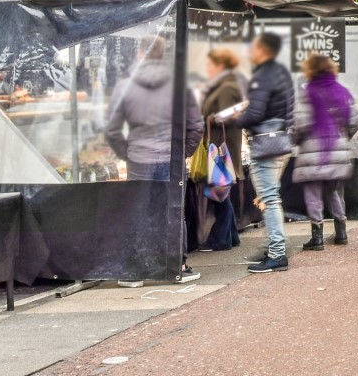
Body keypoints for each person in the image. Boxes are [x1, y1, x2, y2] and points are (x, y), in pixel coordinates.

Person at [104, 36, 202, 284]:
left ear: (139, 54)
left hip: (139, 158)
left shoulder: (124, 86)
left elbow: (111, 129)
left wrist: (127, 152)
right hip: (171, 158)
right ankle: (176, 266)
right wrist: (184, 153)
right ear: (162, 54)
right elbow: (196, 125)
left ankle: (136, 271)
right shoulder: (180, 86)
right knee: (173, 211)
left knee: (139, 213)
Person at [234, 31, 296, 273]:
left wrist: (238, 118)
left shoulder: (262, 75)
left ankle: (277, 253)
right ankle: (272, 246)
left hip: (264, 143)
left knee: (269, 200)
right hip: (281, 140)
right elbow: (289, 111)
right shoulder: (281, 73)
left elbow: (256, 113)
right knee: (270, 198)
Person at [292, 53, 357, 251]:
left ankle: (317, 238)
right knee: (334, 192)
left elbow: (300, 124)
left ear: (310, 70)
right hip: (337, 152)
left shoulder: (308, 93)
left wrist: (297, 141)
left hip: (313, 154)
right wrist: (342, 137)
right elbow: (354, 122)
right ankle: (341, 233)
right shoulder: (343, 92)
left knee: (313, 194)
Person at [197, 48, 246, 253]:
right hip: (223, 147)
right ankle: (231, 236)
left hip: (219, 149)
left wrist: (207, 119)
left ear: (220, 66)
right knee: (221, 192)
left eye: (210, 64)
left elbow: (225, 117)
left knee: (219, 194)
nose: (207, 68)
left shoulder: (225, 87)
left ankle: (220, 239)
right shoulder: (227, 84)